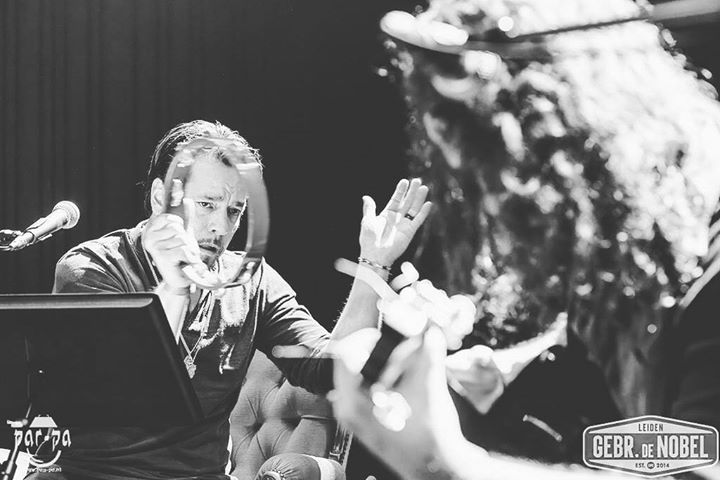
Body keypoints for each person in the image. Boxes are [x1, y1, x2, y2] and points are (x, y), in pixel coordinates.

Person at [326, 0, 720, 476]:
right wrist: (510, 369)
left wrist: (453, 466)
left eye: (507, 183)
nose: (495, 213)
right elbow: (657, 439)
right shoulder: (629, 256)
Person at [40, 119, 431, 480]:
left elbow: (332, 368)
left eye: (234, 211)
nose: (220, 227)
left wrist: (373, 267)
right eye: (206, 204)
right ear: (161, 197)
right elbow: (129, 391)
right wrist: (175, 287)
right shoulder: (93, 269)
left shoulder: (250, 280)